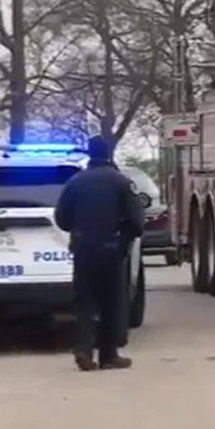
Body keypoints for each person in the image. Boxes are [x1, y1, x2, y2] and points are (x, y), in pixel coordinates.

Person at [54, 135, 145, 371]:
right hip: (112, 251)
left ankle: (83, 350)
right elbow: (137, 222)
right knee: (111, 303)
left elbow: (61, 218)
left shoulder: (75, 182)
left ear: (89, 153)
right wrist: (124, 238)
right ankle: (108, 355)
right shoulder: (121, 182)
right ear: (108, 154)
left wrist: (79, 230)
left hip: (84, 249)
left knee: (84, 301)